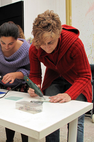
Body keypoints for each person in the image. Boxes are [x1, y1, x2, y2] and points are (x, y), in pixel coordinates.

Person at [28, 10, 92, 142]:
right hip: (54, 76)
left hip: (76, 78)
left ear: (58, 35)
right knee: (50, 111)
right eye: (42, 43)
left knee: (76, 116)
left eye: (50, 43)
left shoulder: (74, 43)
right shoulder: (35, 47)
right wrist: (35, 85)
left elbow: (85, 75)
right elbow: (35, 74)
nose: (45, 47)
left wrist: (69, 94)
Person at [0, 21, 30, 142]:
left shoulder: (27, 49)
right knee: (9, 116)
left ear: (17, 39)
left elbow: (31, 73)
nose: (6, 47)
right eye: (3, 43)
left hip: (22, 87)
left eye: (11, 43)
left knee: (23, 116)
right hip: (4, 88)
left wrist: (16, 74)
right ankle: (9, 140)